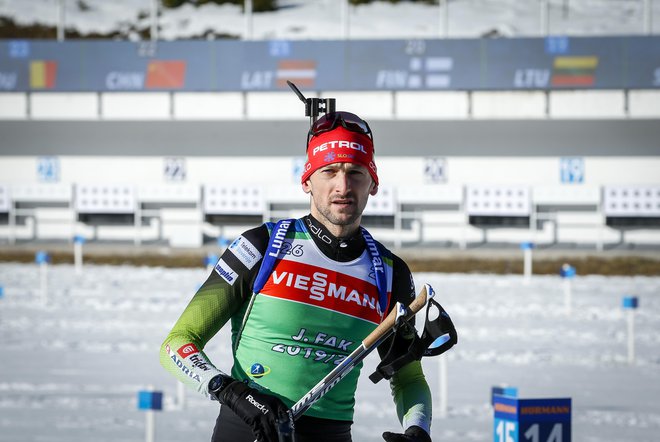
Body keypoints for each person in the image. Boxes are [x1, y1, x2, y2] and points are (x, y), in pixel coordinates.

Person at [160, 110, 433, 442]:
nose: (342, 186)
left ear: (373, 183)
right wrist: (229, 391)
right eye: (329, 171)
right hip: (246, 429)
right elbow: (177, 346)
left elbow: (407, 378)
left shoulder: (391, 273)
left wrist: (417, 429)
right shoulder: (260, 247)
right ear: (307, 180)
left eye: (356, 172)